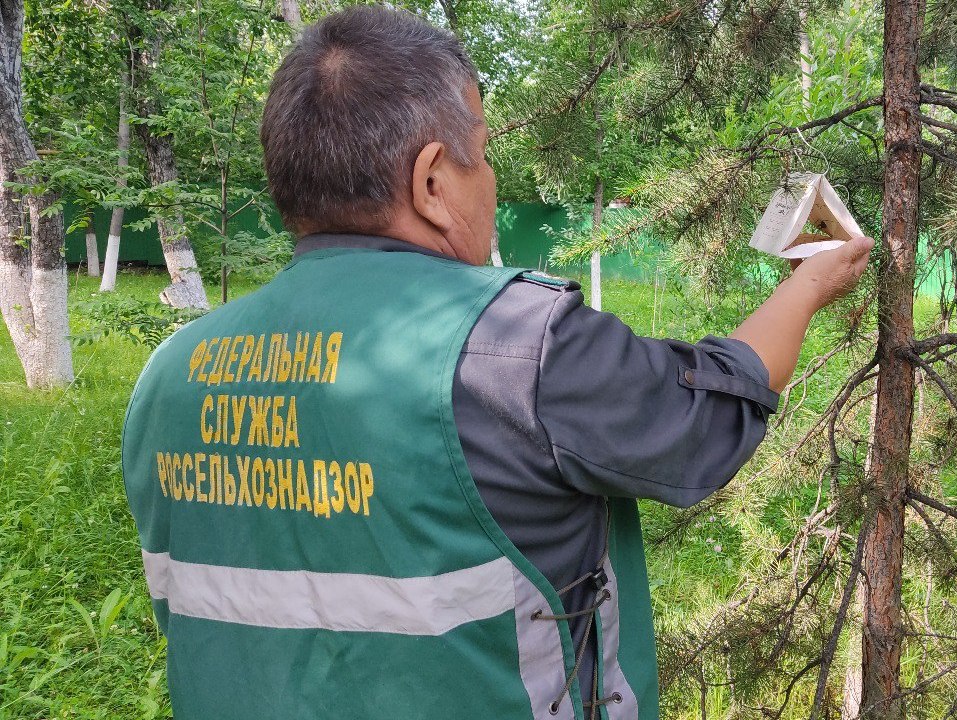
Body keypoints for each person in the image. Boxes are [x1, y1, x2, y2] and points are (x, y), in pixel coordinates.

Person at [121, 6, 873, 720]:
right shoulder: (517, 347)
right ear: (432, 184)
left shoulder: (170, 374)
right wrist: (808, 288)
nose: (491, 181)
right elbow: (706, 416)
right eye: (482, 156)